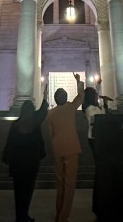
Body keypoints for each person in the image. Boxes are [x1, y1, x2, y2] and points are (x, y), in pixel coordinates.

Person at [2, 84, 49, 222]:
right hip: (31, 164)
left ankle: (20, 217)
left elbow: (9, 143)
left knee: (18, 192)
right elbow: (43, 112)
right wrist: (45, 96)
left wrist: (6, 158)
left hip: (17, 165)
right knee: (27, 192)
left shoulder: (15, 125)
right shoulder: (34, 123)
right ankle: (24, 215)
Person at [46, 72, 84, 222]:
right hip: (71, 149)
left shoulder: (50, 114)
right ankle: (63, 217)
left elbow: (50, 134)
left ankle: (58, 214)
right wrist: (78, 81)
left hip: (57, 148)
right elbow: (81, 96)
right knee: (69, 185)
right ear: (66, 98)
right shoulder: (70, 108)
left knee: (60, 184)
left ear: (55, 99)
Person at [81, 82, 109, 218]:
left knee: (102, 172)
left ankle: (103, 203)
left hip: (101, 139)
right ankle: (99, 205)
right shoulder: (89, 108)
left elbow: (103, 116)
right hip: (95, 139)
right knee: (100, 171)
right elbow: (98, 119)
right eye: (95, 95)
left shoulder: (95, 106)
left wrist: (104, 104)